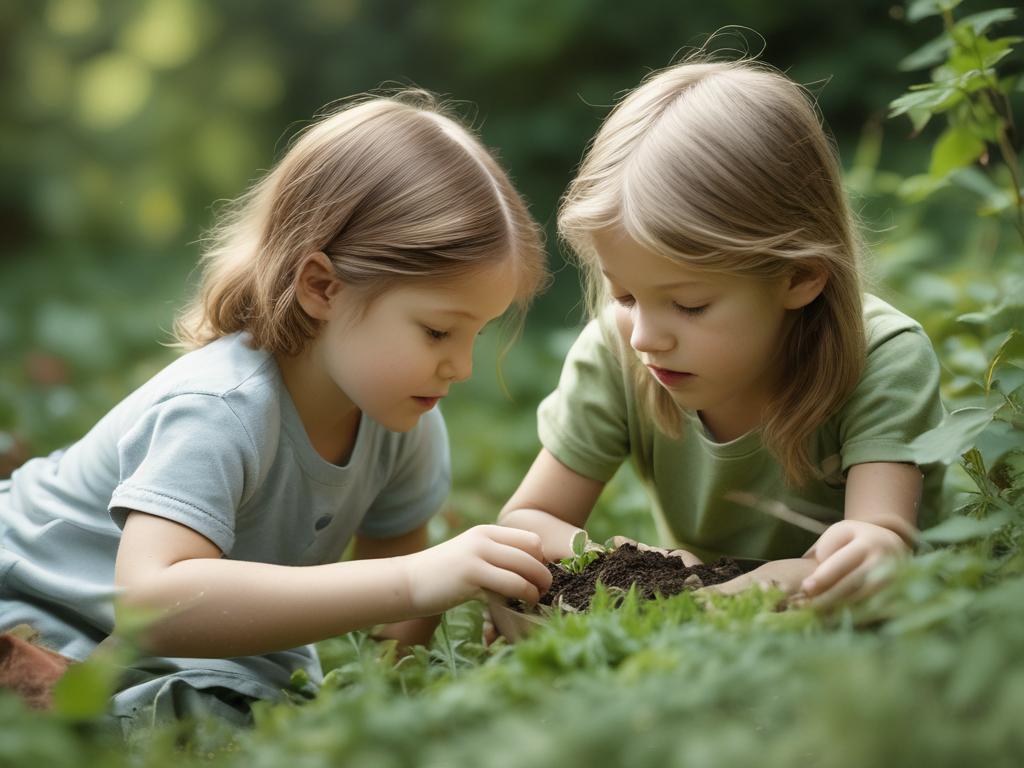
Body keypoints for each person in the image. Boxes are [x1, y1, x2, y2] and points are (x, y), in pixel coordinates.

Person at [0, 93, 553, 729]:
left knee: (247, 703)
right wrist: (418, 577)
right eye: (436, 332)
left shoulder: (405, 422)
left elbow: (396, 623)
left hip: (184, 647)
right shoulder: (221, 409)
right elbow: (150, 600)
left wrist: (390, 693)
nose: (461, 366)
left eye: (475, 334)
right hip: (39, 599)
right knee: (182, 712)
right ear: (323, 287)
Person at [499, 58, 946, 607]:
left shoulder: (881, 357)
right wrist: (626, 565)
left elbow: (880, 543)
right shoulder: (616, 353)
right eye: (625, 297)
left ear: (800, 275)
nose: (644, 336)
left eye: (689, 305)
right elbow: (527, 518)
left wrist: (747, 587)